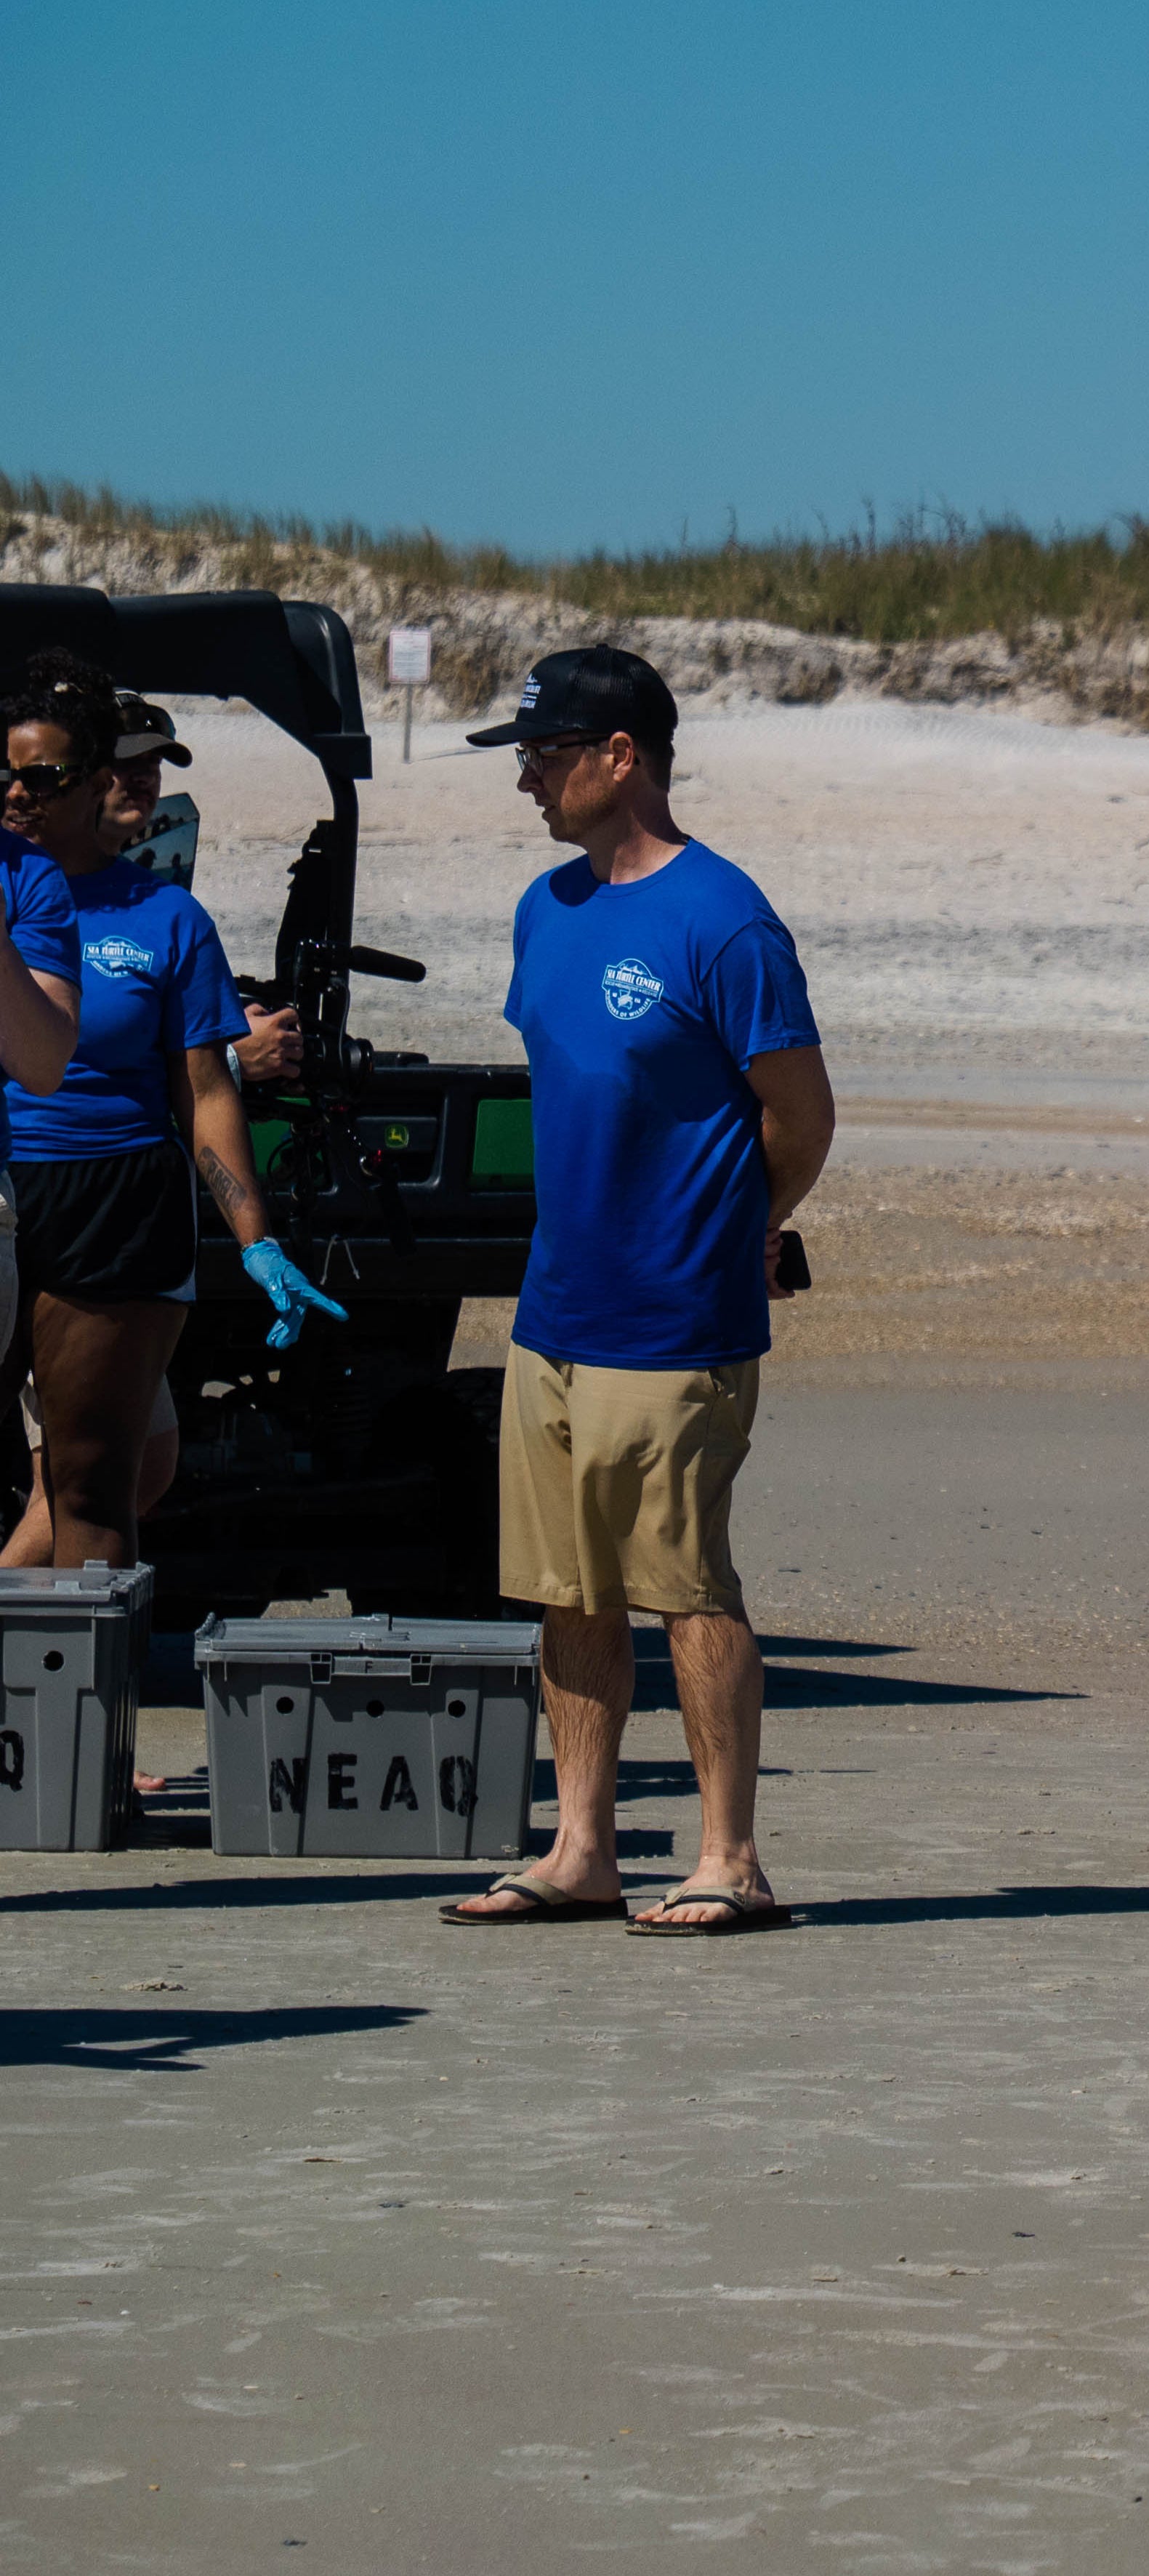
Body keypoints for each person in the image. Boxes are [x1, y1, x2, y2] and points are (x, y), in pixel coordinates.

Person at [436, 647, 834, 1937]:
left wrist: (746, 1224)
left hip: (675, 1317)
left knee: (686, 1584)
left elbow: (800, 1116)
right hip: (554, 1309)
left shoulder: (725, 917)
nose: (526, 778)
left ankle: (730, 1857)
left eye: (545, 754)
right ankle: (583, 1847)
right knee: (568, 1588)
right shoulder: (544, 906)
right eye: (522, 756)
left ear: (623, 757)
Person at [0, 655, 341, 1577]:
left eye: (45, 777)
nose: (21, 793)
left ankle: (88, 1671)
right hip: (5, 1188)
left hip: (114, 1201)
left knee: (92, 1481)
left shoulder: (166, 917)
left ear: (93, 782)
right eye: (7, 775)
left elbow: (207, 1091)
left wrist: (256, 1238)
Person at [99, 696, 301, 1082]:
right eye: (125, 762)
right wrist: (231, 1059)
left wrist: (218, 1042)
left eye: (153, 764)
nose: (145, 777)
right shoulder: (25, 889)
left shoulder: (175, 913)